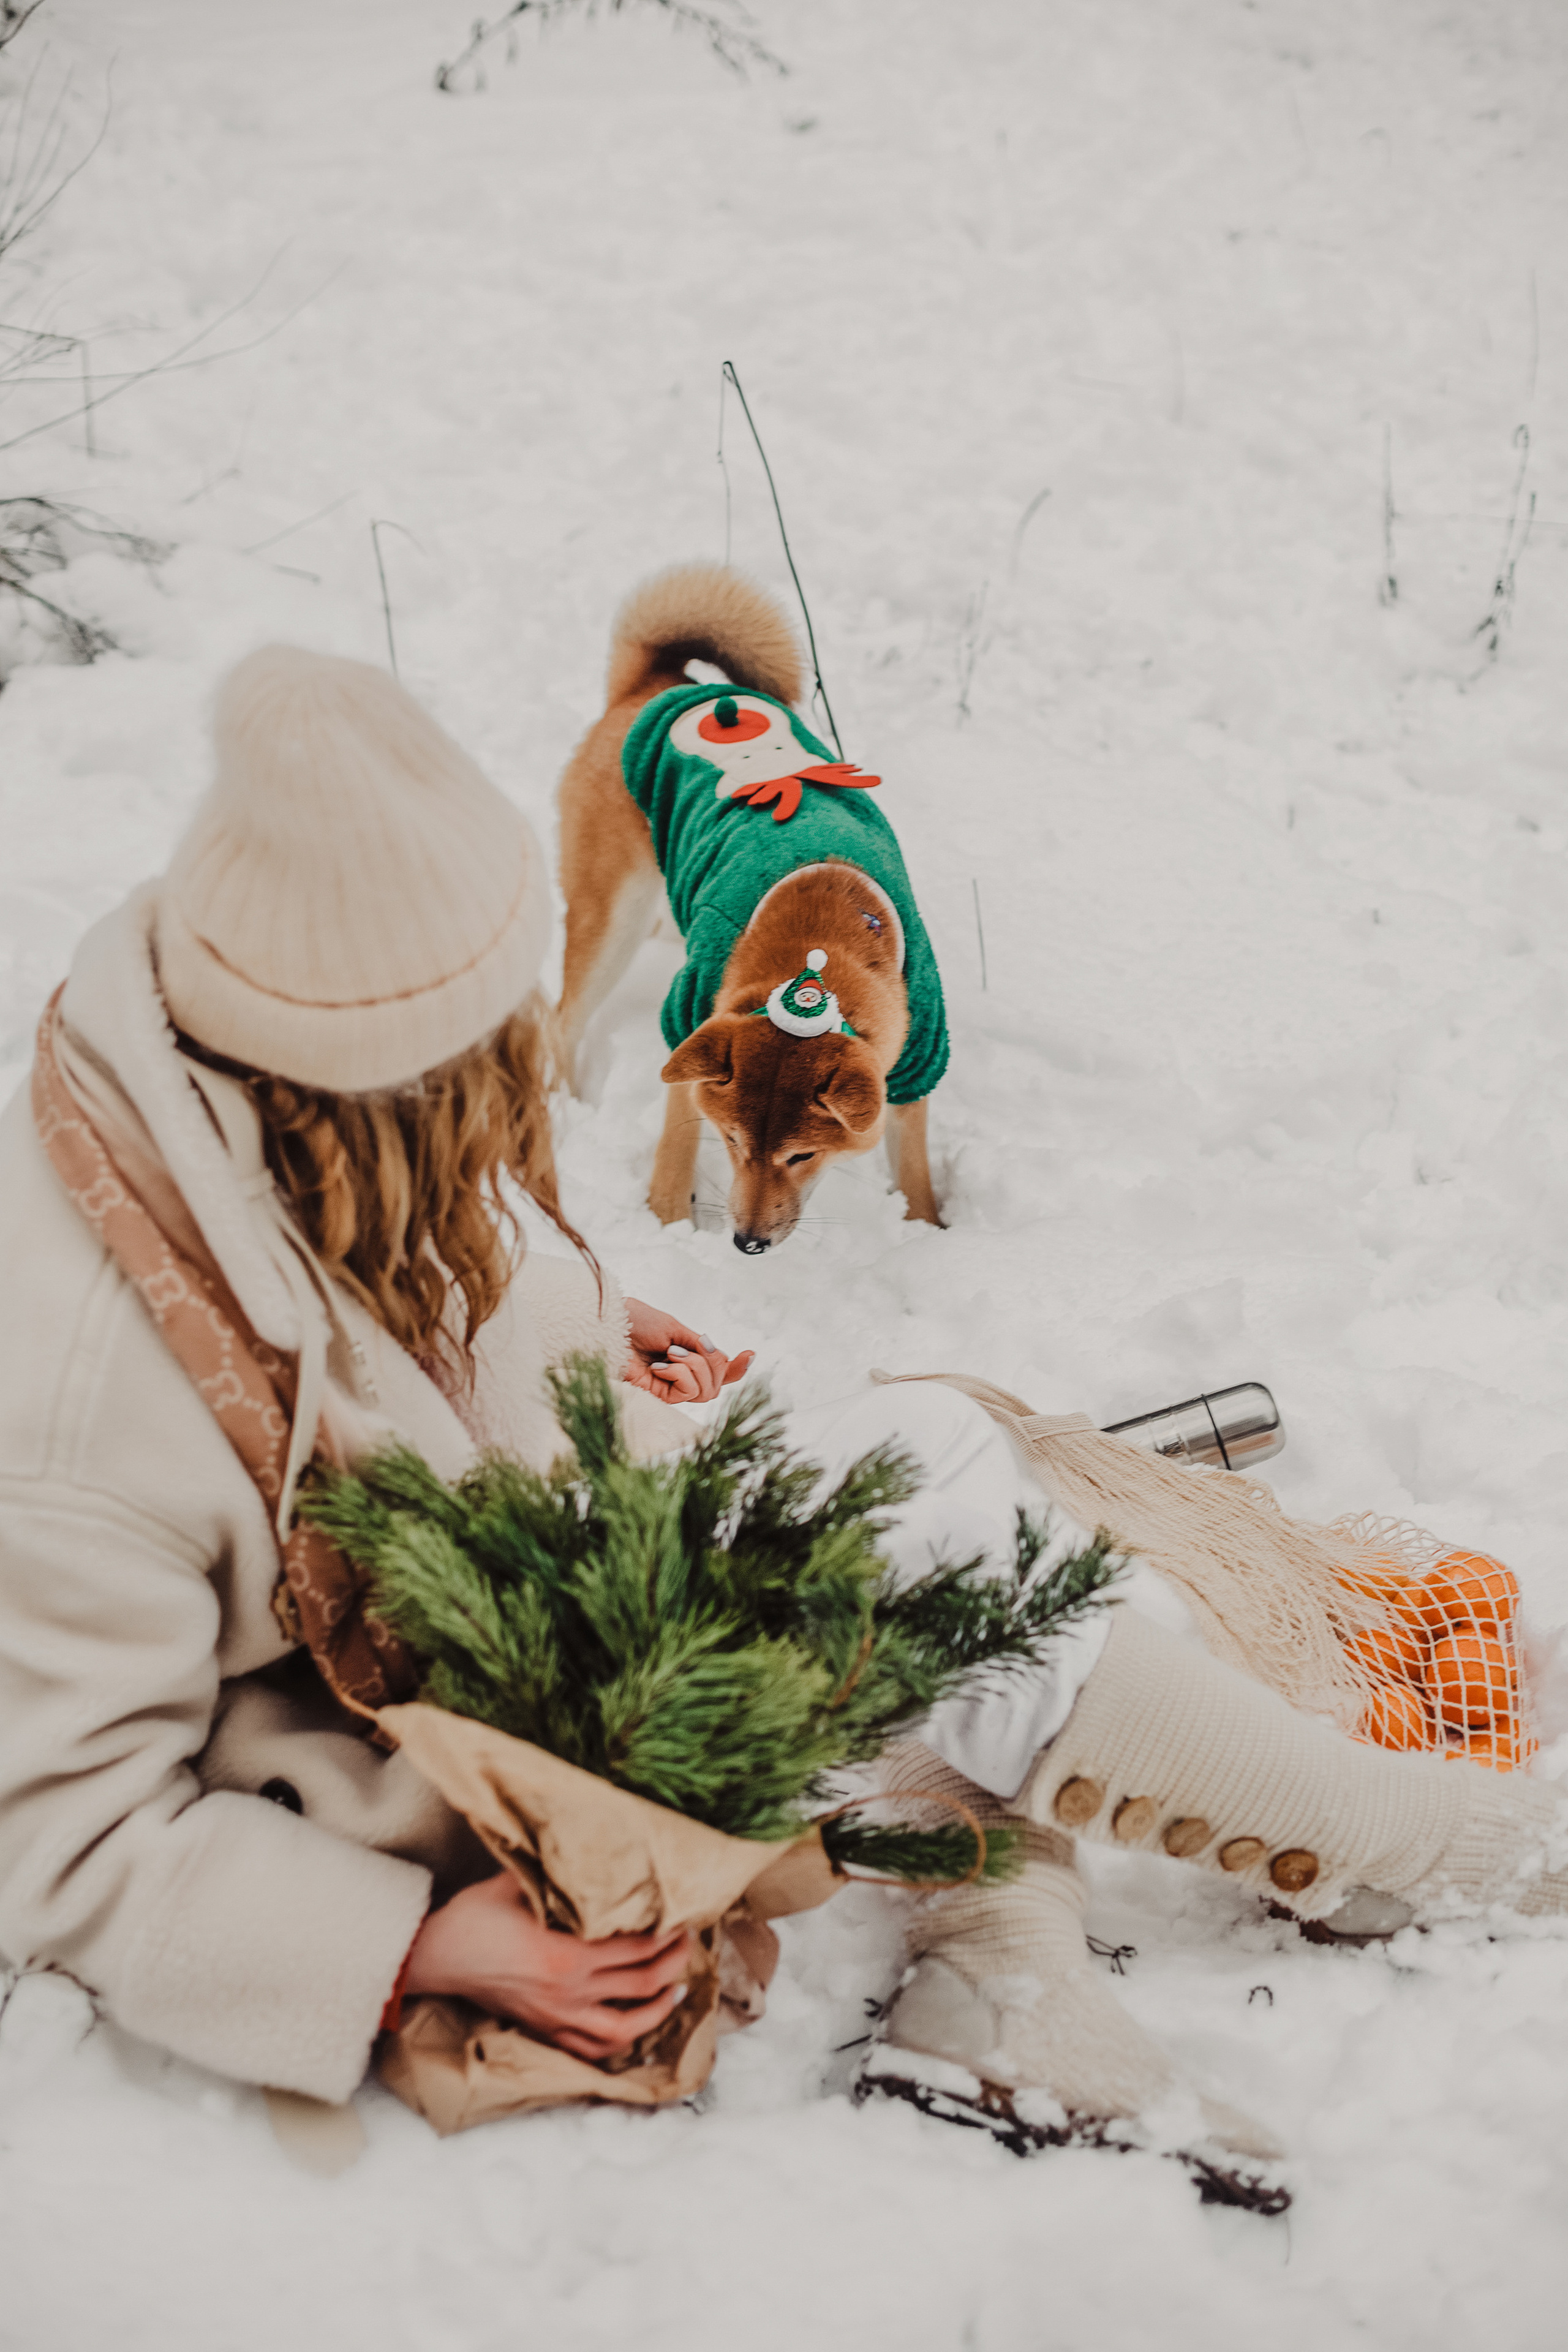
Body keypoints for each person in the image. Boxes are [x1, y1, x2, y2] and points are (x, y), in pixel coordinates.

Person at [1, 649, 1563, 2165]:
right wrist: (410, 1946)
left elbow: (374, 1275)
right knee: (918, 1549)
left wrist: (579, 1323)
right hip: (411, 1718)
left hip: (492, 1551)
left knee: (923, 1465)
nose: (490, 1116)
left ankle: (1003, 1980)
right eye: (451, 1086)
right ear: (349, 1081)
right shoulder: (82, 1403)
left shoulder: (232, 1043)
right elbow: (53, 1834)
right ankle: (1428, 1847)